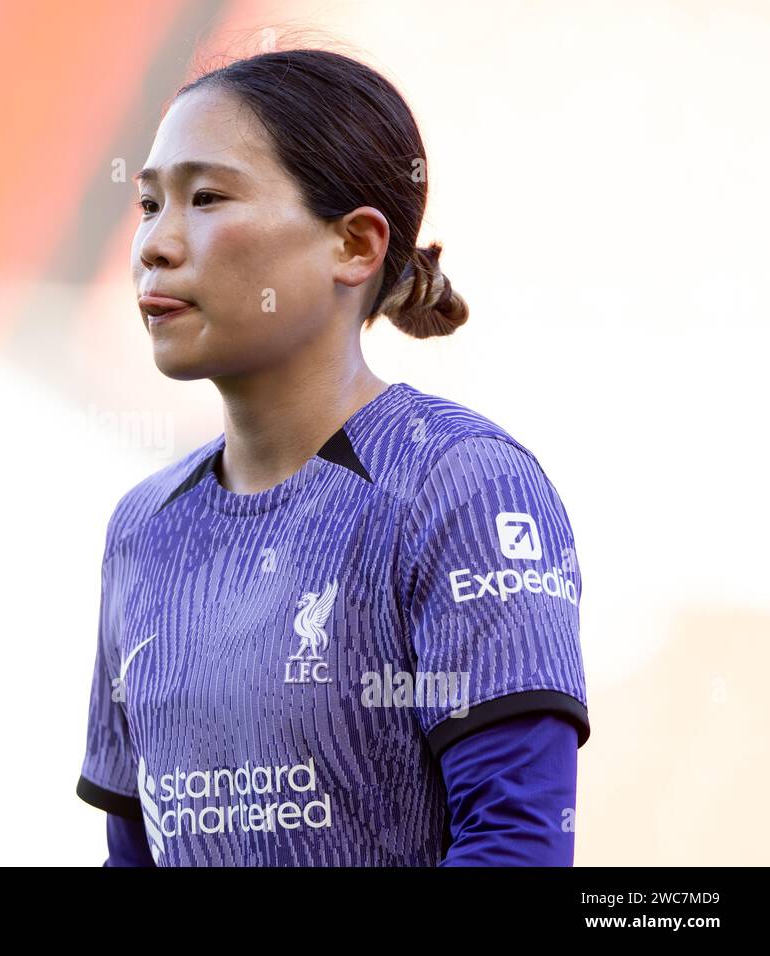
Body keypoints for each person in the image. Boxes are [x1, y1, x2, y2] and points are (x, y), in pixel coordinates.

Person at [74, 47, 589, 867]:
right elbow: (133, 854)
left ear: (354, 244)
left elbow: (516, 843)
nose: (155, 245)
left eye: (205, 198)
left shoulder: (460, 486)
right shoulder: (143, 528)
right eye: (146, 203)